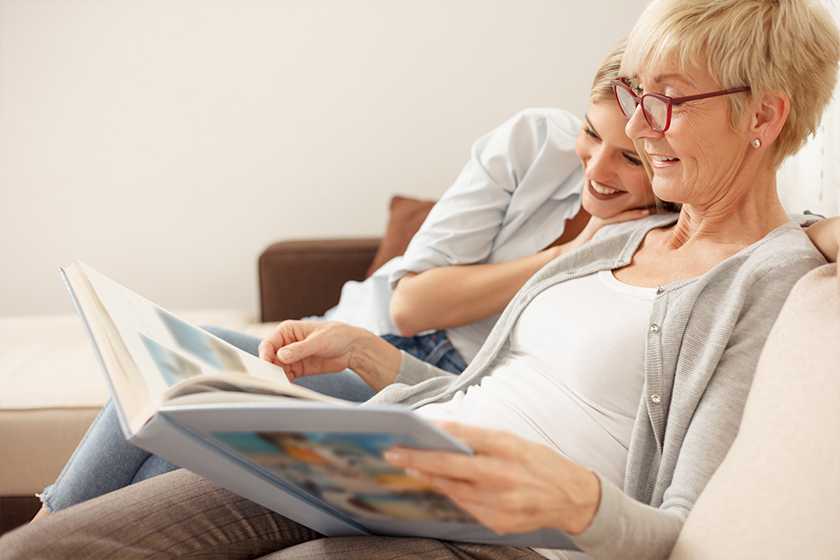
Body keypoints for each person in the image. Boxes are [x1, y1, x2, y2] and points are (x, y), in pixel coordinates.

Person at [3, 0, 838, 558]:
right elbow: (489, 386)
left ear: (764, 115)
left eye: (668, 103)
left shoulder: (766, 282)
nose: (642, 128)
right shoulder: (624, 237)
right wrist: (378, 360)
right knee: (62, 546)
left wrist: (579, 502)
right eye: (632, 96)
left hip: (485, 533)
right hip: (382, 453)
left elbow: (682, 533)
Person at [28, 39, 664, 524]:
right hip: (370, 334)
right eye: (589, 131)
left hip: (448, 387)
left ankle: (45, 538)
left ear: (663, 158)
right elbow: (412, 304)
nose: (598, 167)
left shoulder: (664, 243)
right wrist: (572, 251)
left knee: (182, 453)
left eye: (630, 157)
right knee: (170, 360)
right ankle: (45, 527)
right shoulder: (532, 142)